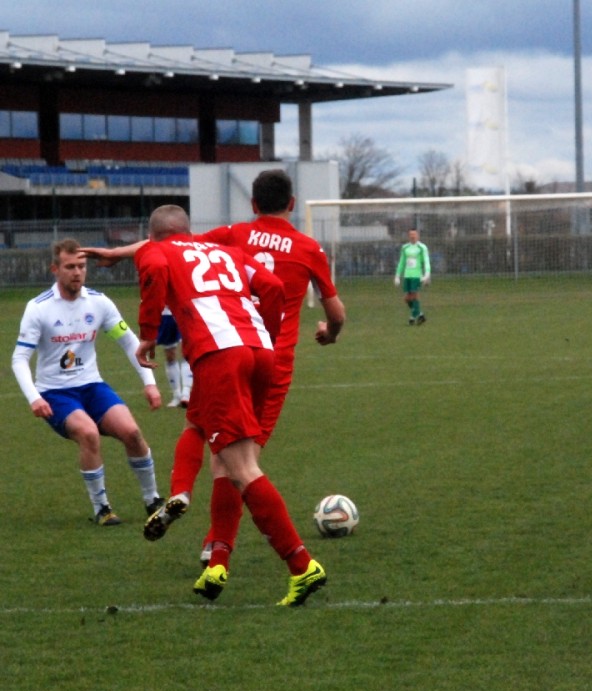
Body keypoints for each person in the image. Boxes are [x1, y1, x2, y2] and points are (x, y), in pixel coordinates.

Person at [86, 168, 346, 567]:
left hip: (221, 345)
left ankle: (208, 531)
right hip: (270, 358)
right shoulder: (308, 248)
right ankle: (225, 550)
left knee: (217, 446)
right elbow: (335, 313)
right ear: (293, 204)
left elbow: (172, 244)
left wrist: (118, 253)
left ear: (253, 203)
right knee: (238, 461)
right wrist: (330, 332)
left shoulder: (234, 234)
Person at [134, 204, 327, 607]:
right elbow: (272, 287)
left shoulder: (157, 250)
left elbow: (153, 271)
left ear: (153, 235)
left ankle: (302, 566)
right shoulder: (226, 252)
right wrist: (265, 333)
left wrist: (149, 334)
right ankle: (217, 562)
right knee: (215, 447)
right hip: (259, 351)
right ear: (189, 230)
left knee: (242, 467)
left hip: (219, 355)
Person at [11, 238, 163, 525]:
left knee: (132, 432)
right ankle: (102, 509)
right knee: (89, 434)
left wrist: (150, 382)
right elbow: (19, 359)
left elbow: (129, 341)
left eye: (81, 266)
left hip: (92, 387)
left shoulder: (98, 302)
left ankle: (152, 499)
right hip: (55, 393)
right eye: (70, 267)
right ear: (55, 269)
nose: (77, 272)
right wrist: (34, 398)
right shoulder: (39, 308)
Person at [157, 306, 193, 408]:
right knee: (170, 355)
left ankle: (186, 393)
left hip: (184, 311)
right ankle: (177, 395)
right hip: (166, 314)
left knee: (186, 352)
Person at [394, 228, 431, 325]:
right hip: (407, 276)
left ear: (418, 235)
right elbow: (402, 262)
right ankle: (420, 315)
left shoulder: (422, 247)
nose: (412, 236)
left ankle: (413, 317)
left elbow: (426, 261)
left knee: (414, 295)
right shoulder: (405, 247)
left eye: (414, 234)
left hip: (417, 276)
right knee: (407, 299)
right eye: (411, 234)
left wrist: (427, 274)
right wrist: (397, 275)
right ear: (408, 236)